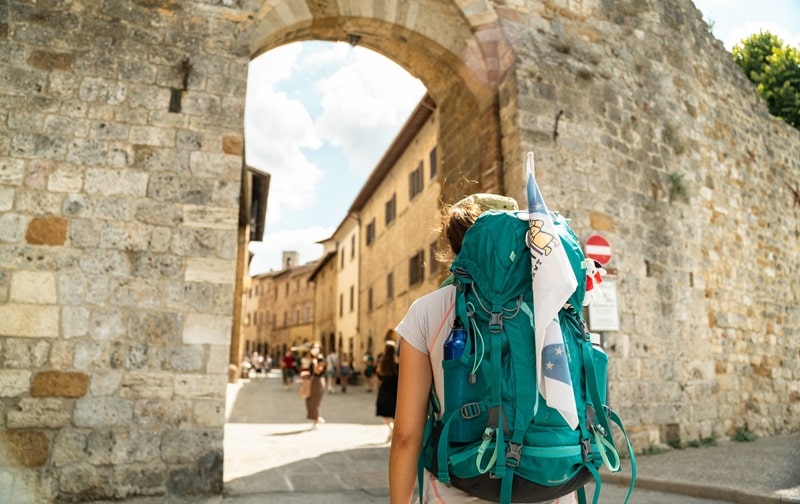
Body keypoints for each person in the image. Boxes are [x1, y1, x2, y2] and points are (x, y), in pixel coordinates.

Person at [389, 194, 577, 503]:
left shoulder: (426, 311)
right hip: (549, 485)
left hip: (457, 489)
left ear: (455, 244)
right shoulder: (550, 302)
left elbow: (406, 437)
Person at [375, 337, 399, 443]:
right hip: (395, 388)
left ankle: (391, 429)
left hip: (385, 388)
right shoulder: (398, 360)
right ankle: (393, 430)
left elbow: (379, 376)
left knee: (383, 411)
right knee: (394, 412)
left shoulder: (382, 361)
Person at [304, 342, 327, 430]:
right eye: (313, 347)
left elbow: (318, 371)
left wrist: (314, 363)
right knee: (309, 400)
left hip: (318, 381)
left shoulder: (321, 359)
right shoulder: (313, 358)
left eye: (316, 347)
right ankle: (316, 417)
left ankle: (316, 421)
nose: (314, 349)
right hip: (312, 381)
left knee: (315, 402)